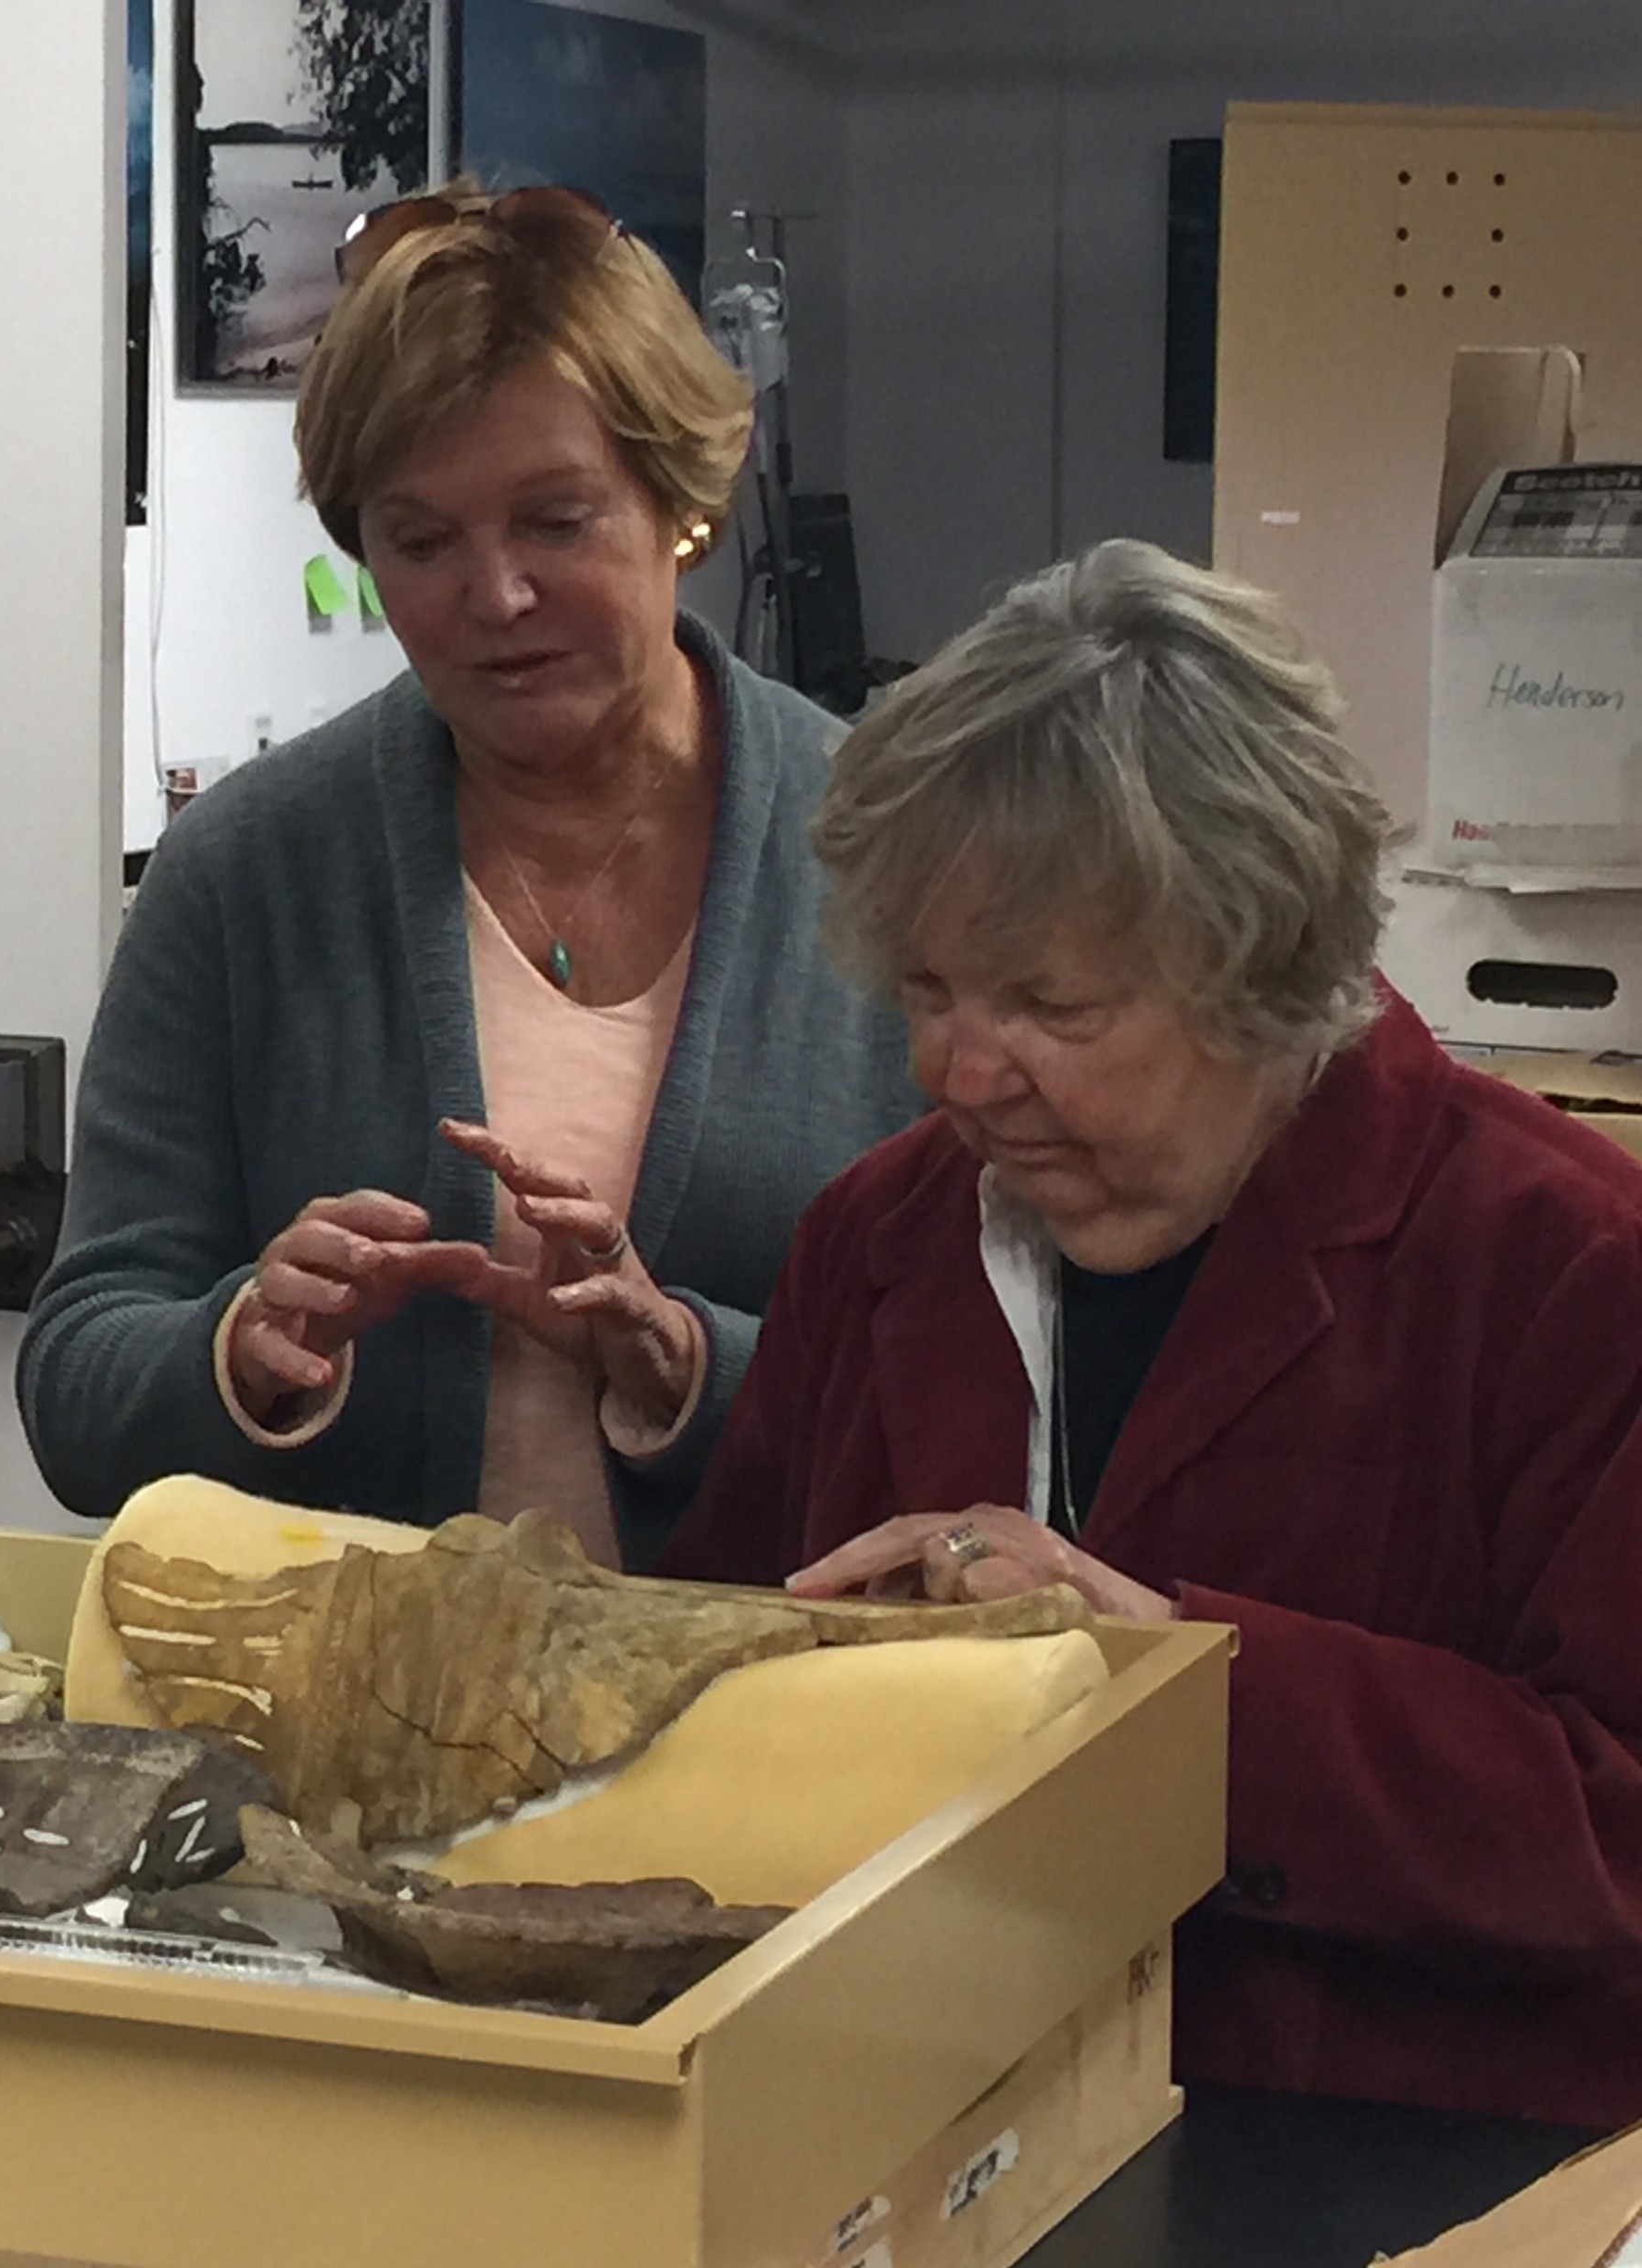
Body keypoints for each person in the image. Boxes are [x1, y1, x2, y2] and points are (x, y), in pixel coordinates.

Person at [661, 539, 1642, 2128]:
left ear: (1261, 967)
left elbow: (1618, 1835)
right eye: (927, 990)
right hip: (919, 2145)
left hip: (1404, 2169)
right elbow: (714, 1676)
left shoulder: (1567, 1273)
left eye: (1051, 1009)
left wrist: (1167, 1693)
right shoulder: (881, 1240)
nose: (957, 1073)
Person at [19, 184, 916, 1568]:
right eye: (420, 542)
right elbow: (77, 1381)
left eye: (555, 523)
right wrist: (237, 1350)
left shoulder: (887, 854)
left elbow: (1017, 1389)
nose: (491, 597)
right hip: (349, 1746)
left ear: (677, 501)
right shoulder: (247, 873)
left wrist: (685, 1364)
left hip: (787, 1737)